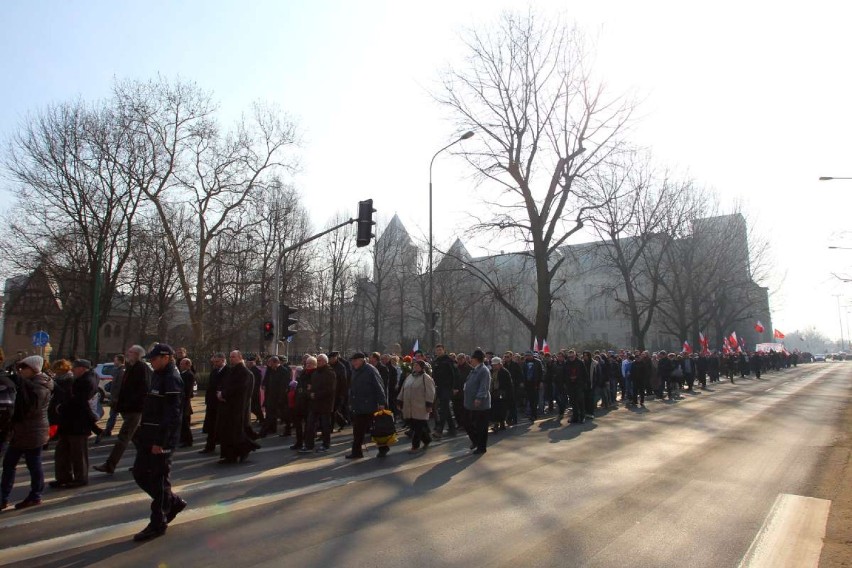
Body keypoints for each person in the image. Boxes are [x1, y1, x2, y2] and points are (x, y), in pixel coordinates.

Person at [131, 343, 186, 542]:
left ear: (166, 357)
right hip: (148, 435)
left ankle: (158, 522)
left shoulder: (172, 379)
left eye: (154, 359)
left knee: (159, 479)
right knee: (139, 473)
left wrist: (161, 441)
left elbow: (172, 414)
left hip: (161, 439)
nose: (152, 363)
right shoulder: (158, 375)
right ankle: (173, 502)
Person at [1, 355, 53, 510]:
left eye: (24, 368)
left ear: (34, 369)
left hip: (33, 432)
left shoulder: (41, 386)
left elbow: (28, 408)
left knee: (33, 465)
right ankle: (3, 497)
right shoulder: (32, 384)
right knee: (10, 464)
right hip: (23, 431)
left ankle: (35, 495)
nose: (21, 371)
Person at [94, 346, 150, 474]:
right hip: (127, 408)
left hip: (134, 409)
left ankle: (110, 464)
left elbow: (142, 390)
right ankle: (147, 463)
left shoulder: (141, 368)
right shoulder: (131, 367)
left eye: (130, 352)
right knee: (137, 438)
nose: (128, 354)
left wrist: (131, 403)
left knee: (123, 437)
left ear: (137, 354)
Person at [51, 359, 98, 488]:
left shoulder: (87, 382)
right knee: (62, 452)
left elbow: (79, 402)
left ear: (83, 368)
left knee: (78, 453)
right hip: (69, 422)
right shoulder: (80, 380)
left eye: (75, 368)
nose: (73, 370)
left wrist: (62, 407)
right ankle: (63, 477)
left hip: (78, 423)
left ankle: (80, 478)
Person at [216, 351, 260, 464]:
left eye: (233, 357)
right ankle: (229, 456)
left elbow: (239, 389)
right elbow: (225, 384)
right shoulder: (233, 370)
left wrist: (224, 394)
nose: (231, 359)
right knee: (228, 432)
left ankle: (237, 454)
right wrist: (221, 393)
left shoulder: (245, 373)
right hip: (229, 406)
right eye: (230, 357)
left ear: (240, 357)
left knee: (235, 433)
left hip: (237, 408)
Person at [345, 352, 386, 459]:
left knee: (375, 430)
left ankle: (383, 448)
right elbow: (352, 388)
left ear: (362, 360)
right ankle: (357, 452)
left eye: (355, 360)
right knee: (357, 431)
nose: (353, 362)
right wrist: (350, 402)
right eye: (352, 361)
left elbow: (379, 386)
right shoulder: (354, 370)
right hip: (358, 405)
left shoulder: (370, 370)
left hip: (370, 405)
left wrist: (381, 402)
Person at [397, 359, 435, 454]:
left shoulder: (425, 378)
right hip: (409, 407)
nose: (415, 367)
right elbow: (403, 389)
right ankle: (427, 439)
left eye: (417, 366)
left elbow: (430, 392)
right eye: (414, 365)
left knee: (417, 427)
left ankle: (415, 446)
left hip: (420, 407)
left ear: (422, 367)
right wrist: (399, 401)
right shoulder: (410, 376)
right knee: (414, 426)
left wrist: (429, 404)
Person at [302, 354, 336, 453]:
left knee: (325, 425)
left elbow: (330, 390)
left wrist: (316, 395)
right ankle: (309, 445)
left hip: (325, 403)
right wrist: (310, 394)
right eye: (318, 360)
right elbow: (309, 386)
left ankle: (326, 444)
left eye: (320, 360)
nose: (318, 362)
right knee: (310, 424)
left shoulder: (330, 373)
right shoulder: (315, 373)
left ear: (325, 362)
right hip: (314, 403)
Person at [464, 349, 491, 455]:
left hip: (481, 405)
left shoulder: (484, 370)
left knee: (481, 427)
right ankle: (476, 441)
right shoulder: (474, 369)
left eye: (472, 358)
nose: (470, 360)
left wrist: (479, 398)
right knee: (467, 423)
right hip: (470, 403)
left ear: (476, 359)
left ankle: (481, 447)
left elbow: (484, 386)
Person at [199, 353, 227, 454]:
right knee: (211, 426)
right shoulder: (214, 371)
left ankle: (225, 449)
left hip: (221, 403)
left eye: (217, 361)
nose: (215, 363)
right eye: (214, 362)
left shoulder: (228, 371)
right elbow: (210, 387)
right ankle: (209, 446)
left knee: (221, 427)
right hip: (212, 403)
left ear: (223, 360)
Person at [431, 344, 459, 439]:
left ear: (444, 350)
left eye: (440, 350)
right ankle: (452, 428)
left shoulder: (448, 361)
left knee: (443, 408)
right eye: (437, 350)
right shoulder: (435, 361)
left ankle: (439, 430)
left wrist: (455, 387)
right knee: (445, 408)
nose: (438, 351)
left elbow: (455, 375)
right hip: (439, 387)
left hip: (447, 387)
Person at [260, 356, 287, 437]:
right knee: (270, 414)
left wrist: (280, 398)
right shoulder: (272, 370)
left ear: (275, 362)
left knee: (275, 415)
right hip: (271, 396)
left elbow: (283, 386)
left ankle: (263, 432)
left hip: (278, 397)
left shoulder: (283, 371)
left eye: (270, 363)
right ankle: (271, 429)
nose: (269, 365)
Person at [103, 354, 126, 437]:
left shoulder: (121, 371)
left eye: (115, 360)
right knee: (114, 415)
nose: (114, 362)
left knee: (116, 415)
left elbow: (118, 386)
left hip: (118, 398)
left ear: (120, 361)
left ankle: (109, 430)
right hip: (117, 397)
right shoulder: (119, 370)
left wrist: (115, 397)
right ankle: (108, 430)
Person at [178, 358, 196, 447]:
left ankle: (188, 440)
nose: (180, 366)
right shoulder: (182, 374)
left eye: (182, 364)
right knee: (182, 423)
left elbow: (188, 390)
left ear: (187, 365)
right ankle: (183, 439)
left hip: (184, 402)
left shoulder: (189, 375)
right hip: (181, 401)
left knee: (185, 423)